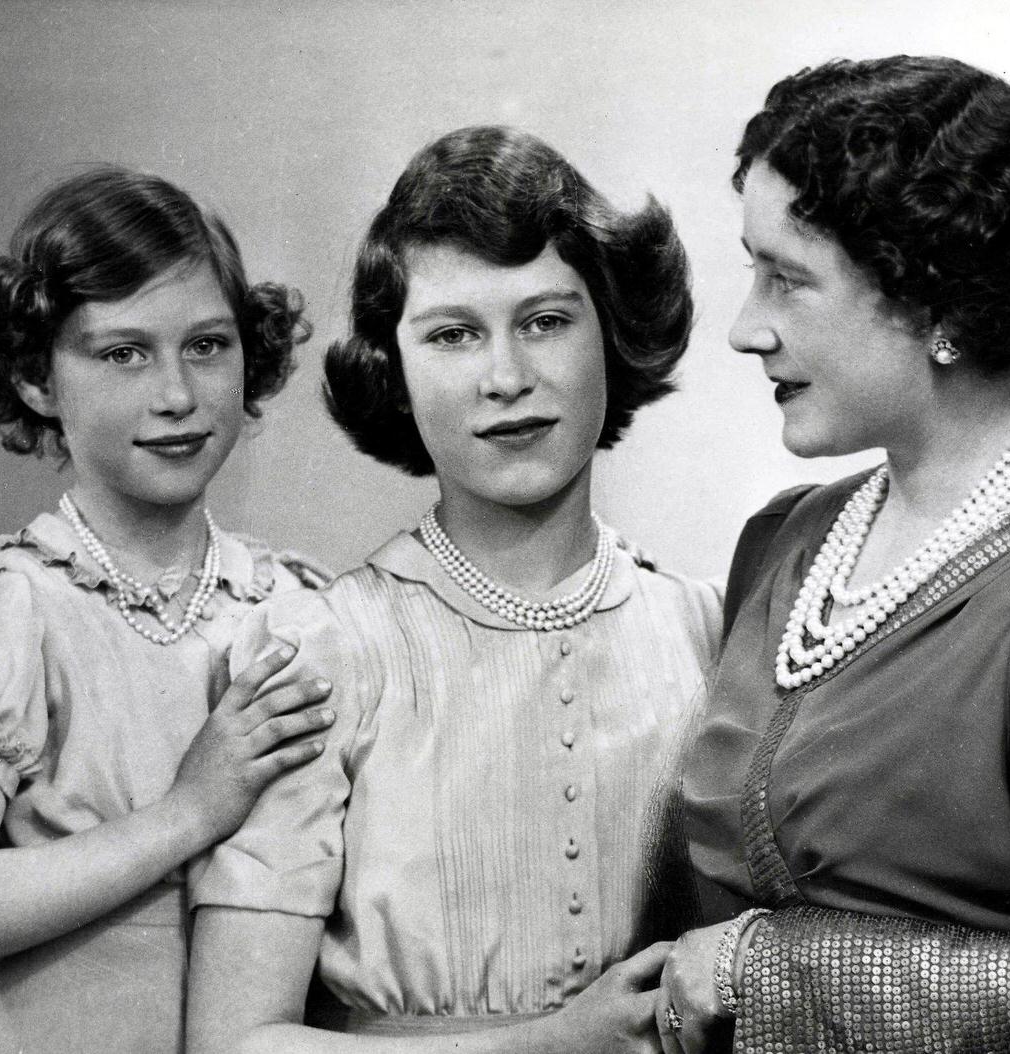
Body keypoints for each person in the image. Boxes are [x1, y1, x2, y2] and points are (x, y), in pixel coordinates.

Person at [661, 57, 1010, 1053]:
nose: (746, 328)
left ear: (936, 307)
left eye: (785, 278)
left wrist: (762, 970)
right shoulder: (785, 542)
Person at [187, 125, 722, 1054]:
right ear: (392, 369)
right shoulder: (323, 648)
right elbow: (236, 1042)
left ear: (614, 335)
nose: (506, 378)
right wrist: (548, 1044)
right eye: (453, 335)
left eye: (547, 322)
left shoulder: (703, 626)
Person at [0, 167, 335, 1054]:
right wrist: (190, 812)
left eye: (207, 345)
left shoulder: (292, 607)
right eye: (122, 353)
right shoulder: (8, 611)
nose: (175, 394)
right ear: (37, 379)